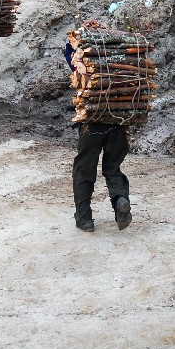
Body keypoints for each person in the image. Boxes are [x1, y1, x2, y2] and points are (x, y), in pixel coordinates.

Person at [64, 40, 132, 233]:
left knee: (84, 170)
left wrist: (75, 41)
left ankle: (84, 218)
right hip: (119, 124)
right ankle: (121, 200)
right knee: (112, 169)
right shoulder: (126, 66)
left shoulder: (86, 64)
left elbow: (70, 53)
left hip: (92, 126)